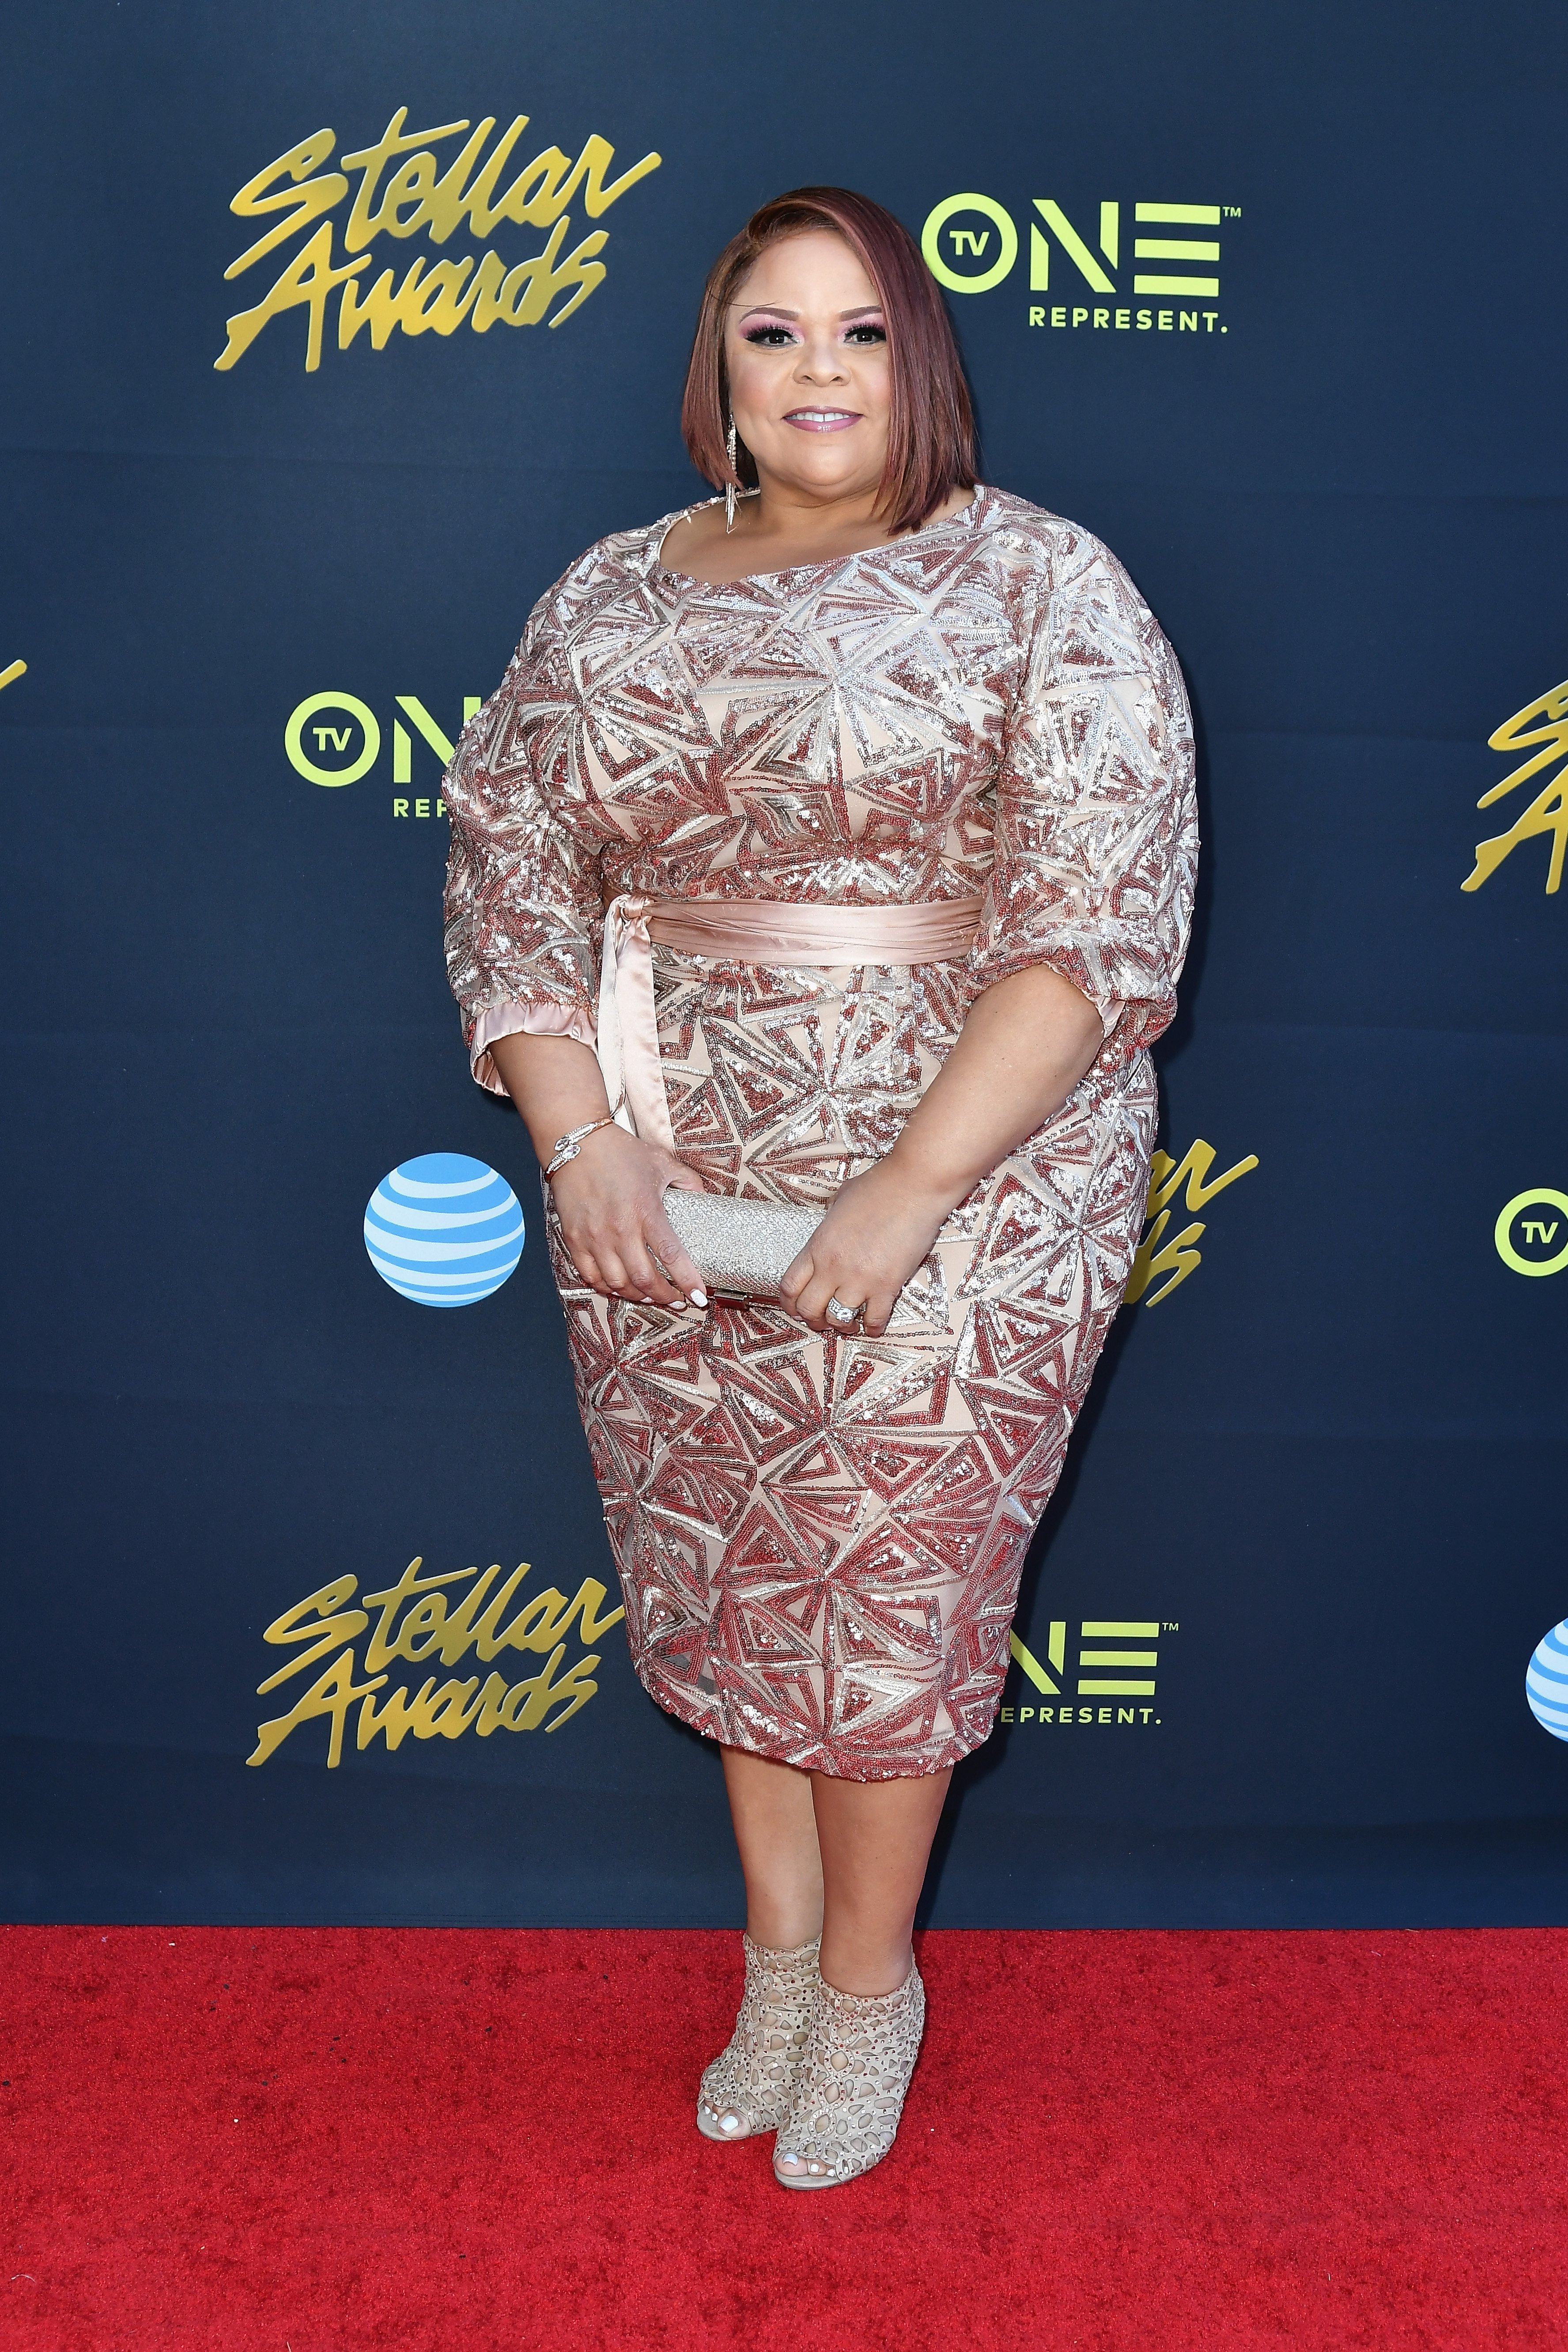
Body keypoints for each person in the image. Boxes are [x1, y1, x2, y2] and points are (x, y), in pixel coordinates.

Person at [443, 186, 1197, 2189]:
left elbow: (1094, 932)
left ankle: (872, 1988)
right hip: (662, 1177)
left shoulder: (1042, 580)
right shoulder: (607, 593)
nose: (818, 374)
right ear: (718, 370)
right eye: (773, 334)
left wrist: (905, 1194)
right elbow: (509, 878)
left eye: (861, 331)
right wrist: (579, 1141)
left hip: (979, 1176)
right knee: (734, 1574)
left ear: (922, 359)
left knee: (886, 1603)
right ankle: (776, 1959)